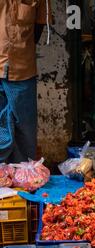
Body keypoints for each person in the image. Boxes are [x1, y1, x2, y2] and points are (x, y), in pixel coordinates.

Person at [0, 0, 52, 163]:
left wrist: (21, 48)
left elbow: (39, 27)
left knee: (25, 129)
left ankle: (22, 176)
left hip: (22, 67)